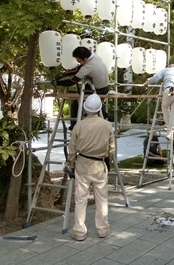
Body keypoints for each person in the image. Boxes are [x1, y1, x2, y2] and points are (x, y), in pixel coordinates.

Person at [67, 94, 115, 241]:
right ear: (100, 108)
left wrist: (71, 163)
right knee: (102, 198)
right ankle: (102, 229)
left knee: (81, 199)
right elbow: (111, 149)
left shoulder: (79, 125)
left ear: (85, 108)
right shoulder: (107, 125)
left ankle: (79, 231)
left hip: (82, 164)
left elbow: (72, 148)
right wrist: (108, 160)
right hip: (99, 165)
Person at [53, 46, 109, 130]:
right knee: (84, 91)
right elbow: (78, 68)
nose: (79, 63)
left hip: (98, 90)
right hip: (104, 87)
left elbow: (71, 81)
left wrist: (57, 83)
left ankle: (74, 125)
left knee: (76, 103)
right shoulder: (95, 57)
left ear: (85, 59)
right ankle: (102, 112)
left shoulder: (88, 67)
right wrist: (64, 74)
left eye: (79, 61)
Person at [143, 64, 174, 140]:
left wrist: (147, 82)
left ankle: (167, 124)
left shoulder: (166, 70)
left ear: (170, 66)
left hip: (170, 89)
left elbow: (156, 78)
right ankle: (170, 133)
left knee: (165, 106)